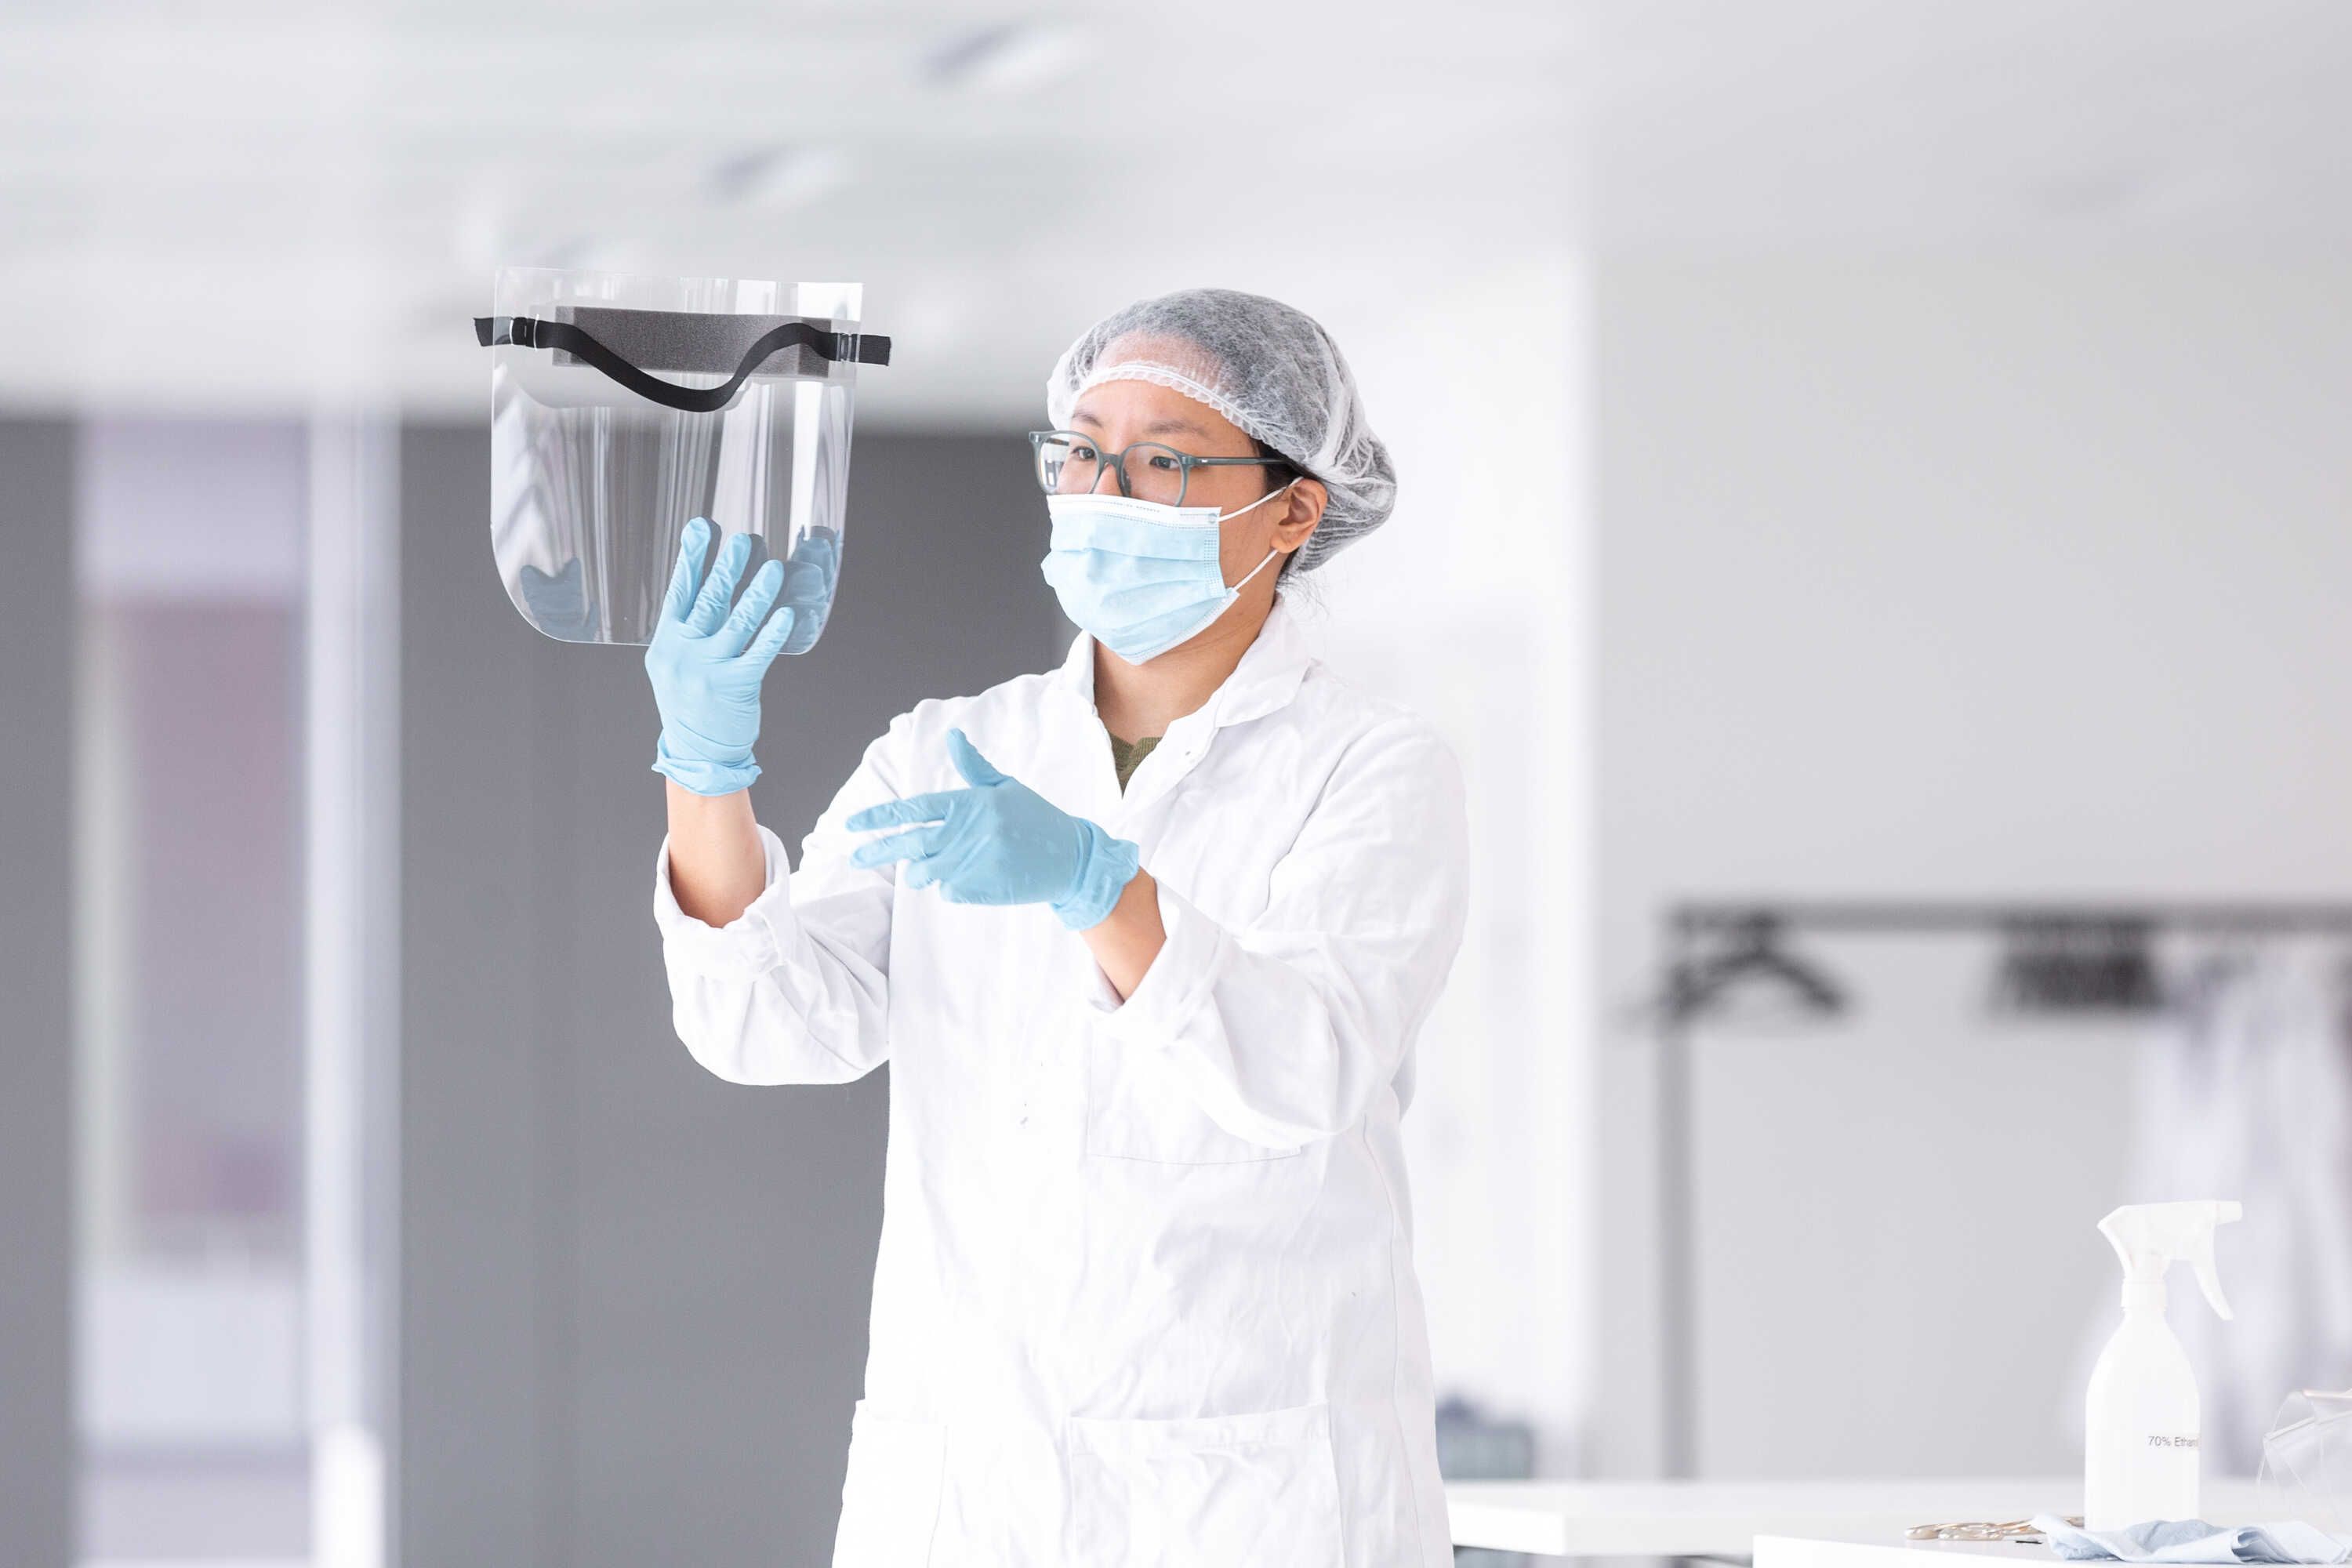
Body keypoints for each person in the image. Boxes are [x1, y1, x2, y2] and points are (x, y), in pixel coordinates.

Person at [647, 288, 1469, 1567]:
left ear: (1293, 508)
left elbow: (1306, 1069)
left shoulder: (1370, 770)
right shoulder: (951, 748)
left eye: (1166, 459)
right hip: (969, 1494)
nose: (1104, 489)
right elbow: (770, 1028)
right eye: (1082, 449)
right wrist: (705, 765)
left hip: (1256, 1499)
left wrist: (1100, 886)